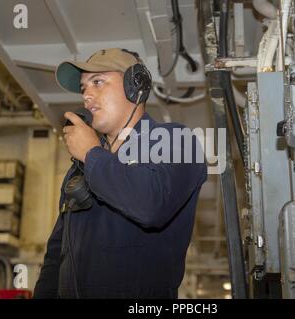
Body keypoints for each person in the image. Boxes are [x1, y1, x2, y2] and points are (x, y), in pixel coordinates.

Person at [33, 48, 207, 298]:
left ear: (135, 85)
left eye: (98, 82)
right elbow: (58, 255)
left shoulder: (175, 140)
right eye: (83, 89)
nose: (87, 96)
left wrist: (92, 154)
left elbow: (150, 205)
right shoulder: (79, 170)